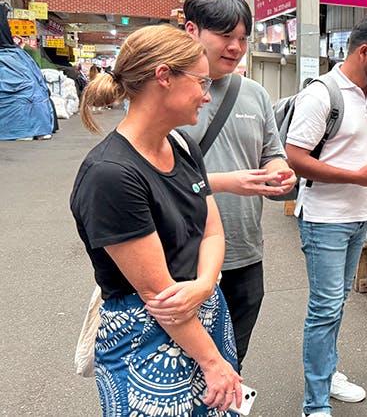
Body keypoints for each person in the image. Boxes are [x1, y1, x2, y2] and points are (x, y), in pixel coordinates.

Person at [69, 25, 243, 414]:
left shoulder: (181, 144)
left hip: (203, 312)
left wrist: (202, 285)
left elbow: (212, 230)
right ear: (164, 76)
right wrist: (213, 362)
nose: (206, 94)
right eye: (201, 81)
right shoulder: (111, 174)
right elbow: (158, 295)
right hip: (148, 335)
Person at [285, 13, 367, 417]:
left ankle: (328, 374)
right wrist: (356, 177)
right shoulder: (322, 94)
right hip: (323, 219)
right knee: (325, 307)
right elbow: (295, 158)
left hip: (357, 220)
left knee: (337, 304)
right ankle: (314, 403)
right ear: (363, 50)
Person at [180, 0, 297, 371]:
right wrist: (226, 182)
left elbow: (272, 151)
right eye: (226, 36)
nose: (236, 47)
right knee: (183, 367)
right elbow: (150, 178)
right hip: (183, 257)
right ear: (192, 30)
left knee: (232, 363)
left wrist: (280, 172)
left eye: (243, 38)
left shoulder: (255, 94)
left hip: (246, 252)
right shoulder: (166, 90)